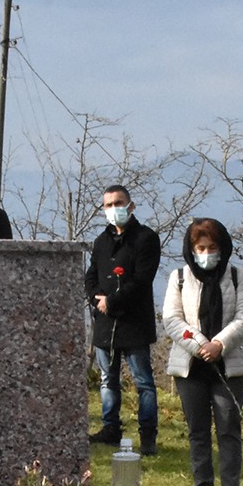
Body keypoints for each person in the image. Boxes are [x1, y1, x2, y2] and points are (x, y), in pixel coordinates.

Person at [163, 218, 243, 486]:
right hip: (192, 365)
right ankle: (202, 483)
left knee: (228, 427)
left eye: (212, 247)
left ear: (222, 248)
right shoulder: (178, 277)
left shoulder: (238, 276)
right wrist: (201, 343)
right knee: (197, 428)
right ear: (191, 250)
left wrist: (219, 345)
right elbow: (173, 320)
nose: (206, 253)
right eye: (200, 248)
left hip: (229, 366)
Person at [85, 184, 161, 452]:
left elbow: (141, 280)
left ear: (131, 206)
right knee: (108, 380)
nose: (114, 209)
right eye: (108, 205)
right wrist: (97, 299)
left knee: (144, 382)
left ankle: (148, 434)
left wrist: (113, 301)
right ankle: (110, 428)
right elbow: (91, 276)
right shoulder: (101, 242)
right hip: (105, 324)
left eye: (119, 203)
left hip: (134, 322)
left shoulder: (146, 239)